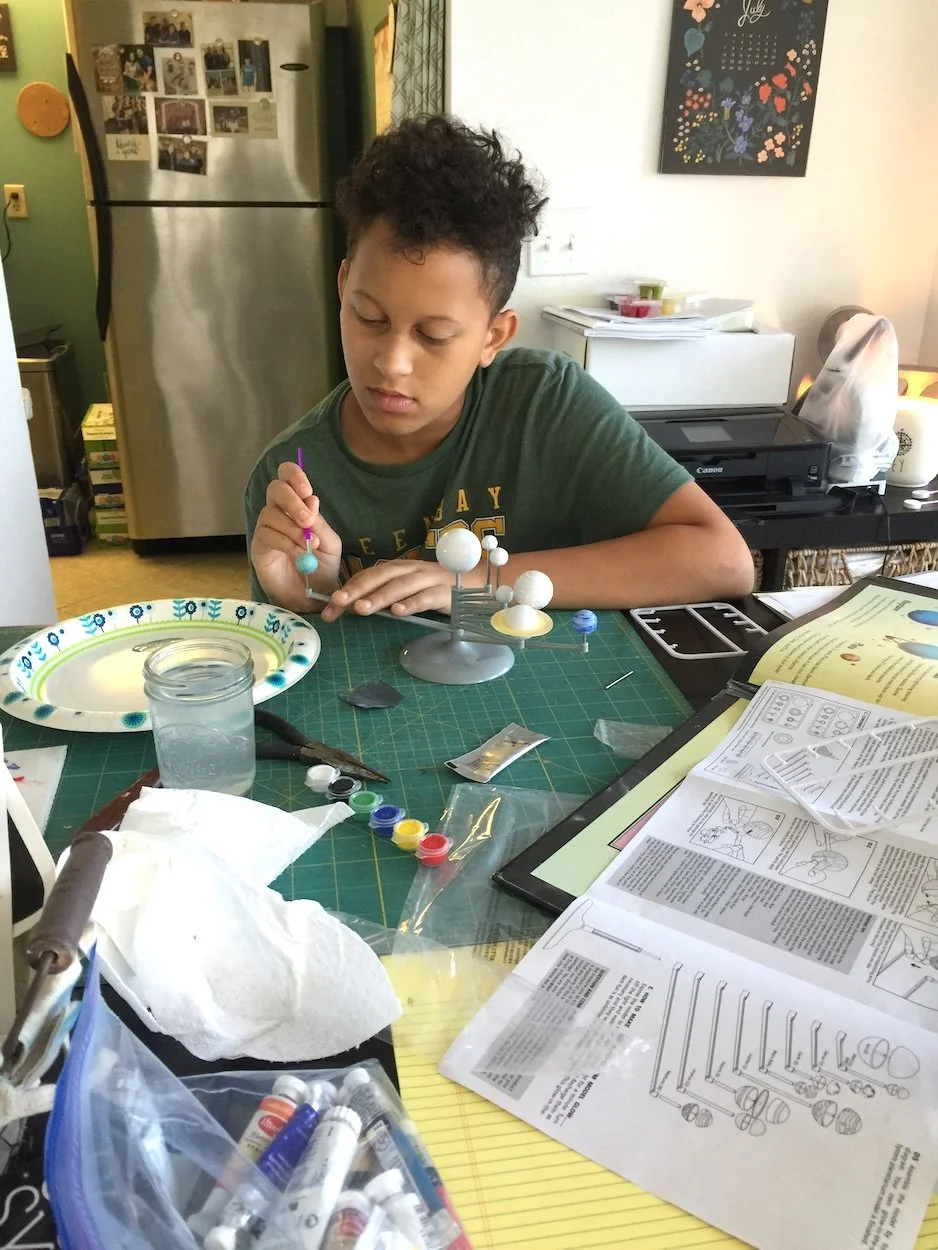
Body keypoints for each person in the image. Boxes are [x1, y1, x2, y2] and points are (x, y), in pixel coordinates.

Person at [246, 116, 754, 622]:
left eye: (434, 336)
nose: (392, 363)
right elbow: (293, 673)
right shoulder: (290, 480)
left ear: (493, 337)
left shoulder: (546, 404)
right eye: (369, 317)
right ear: (342, 286)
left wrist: (477, 583)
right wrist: (308, 600)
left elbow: (725, 562)